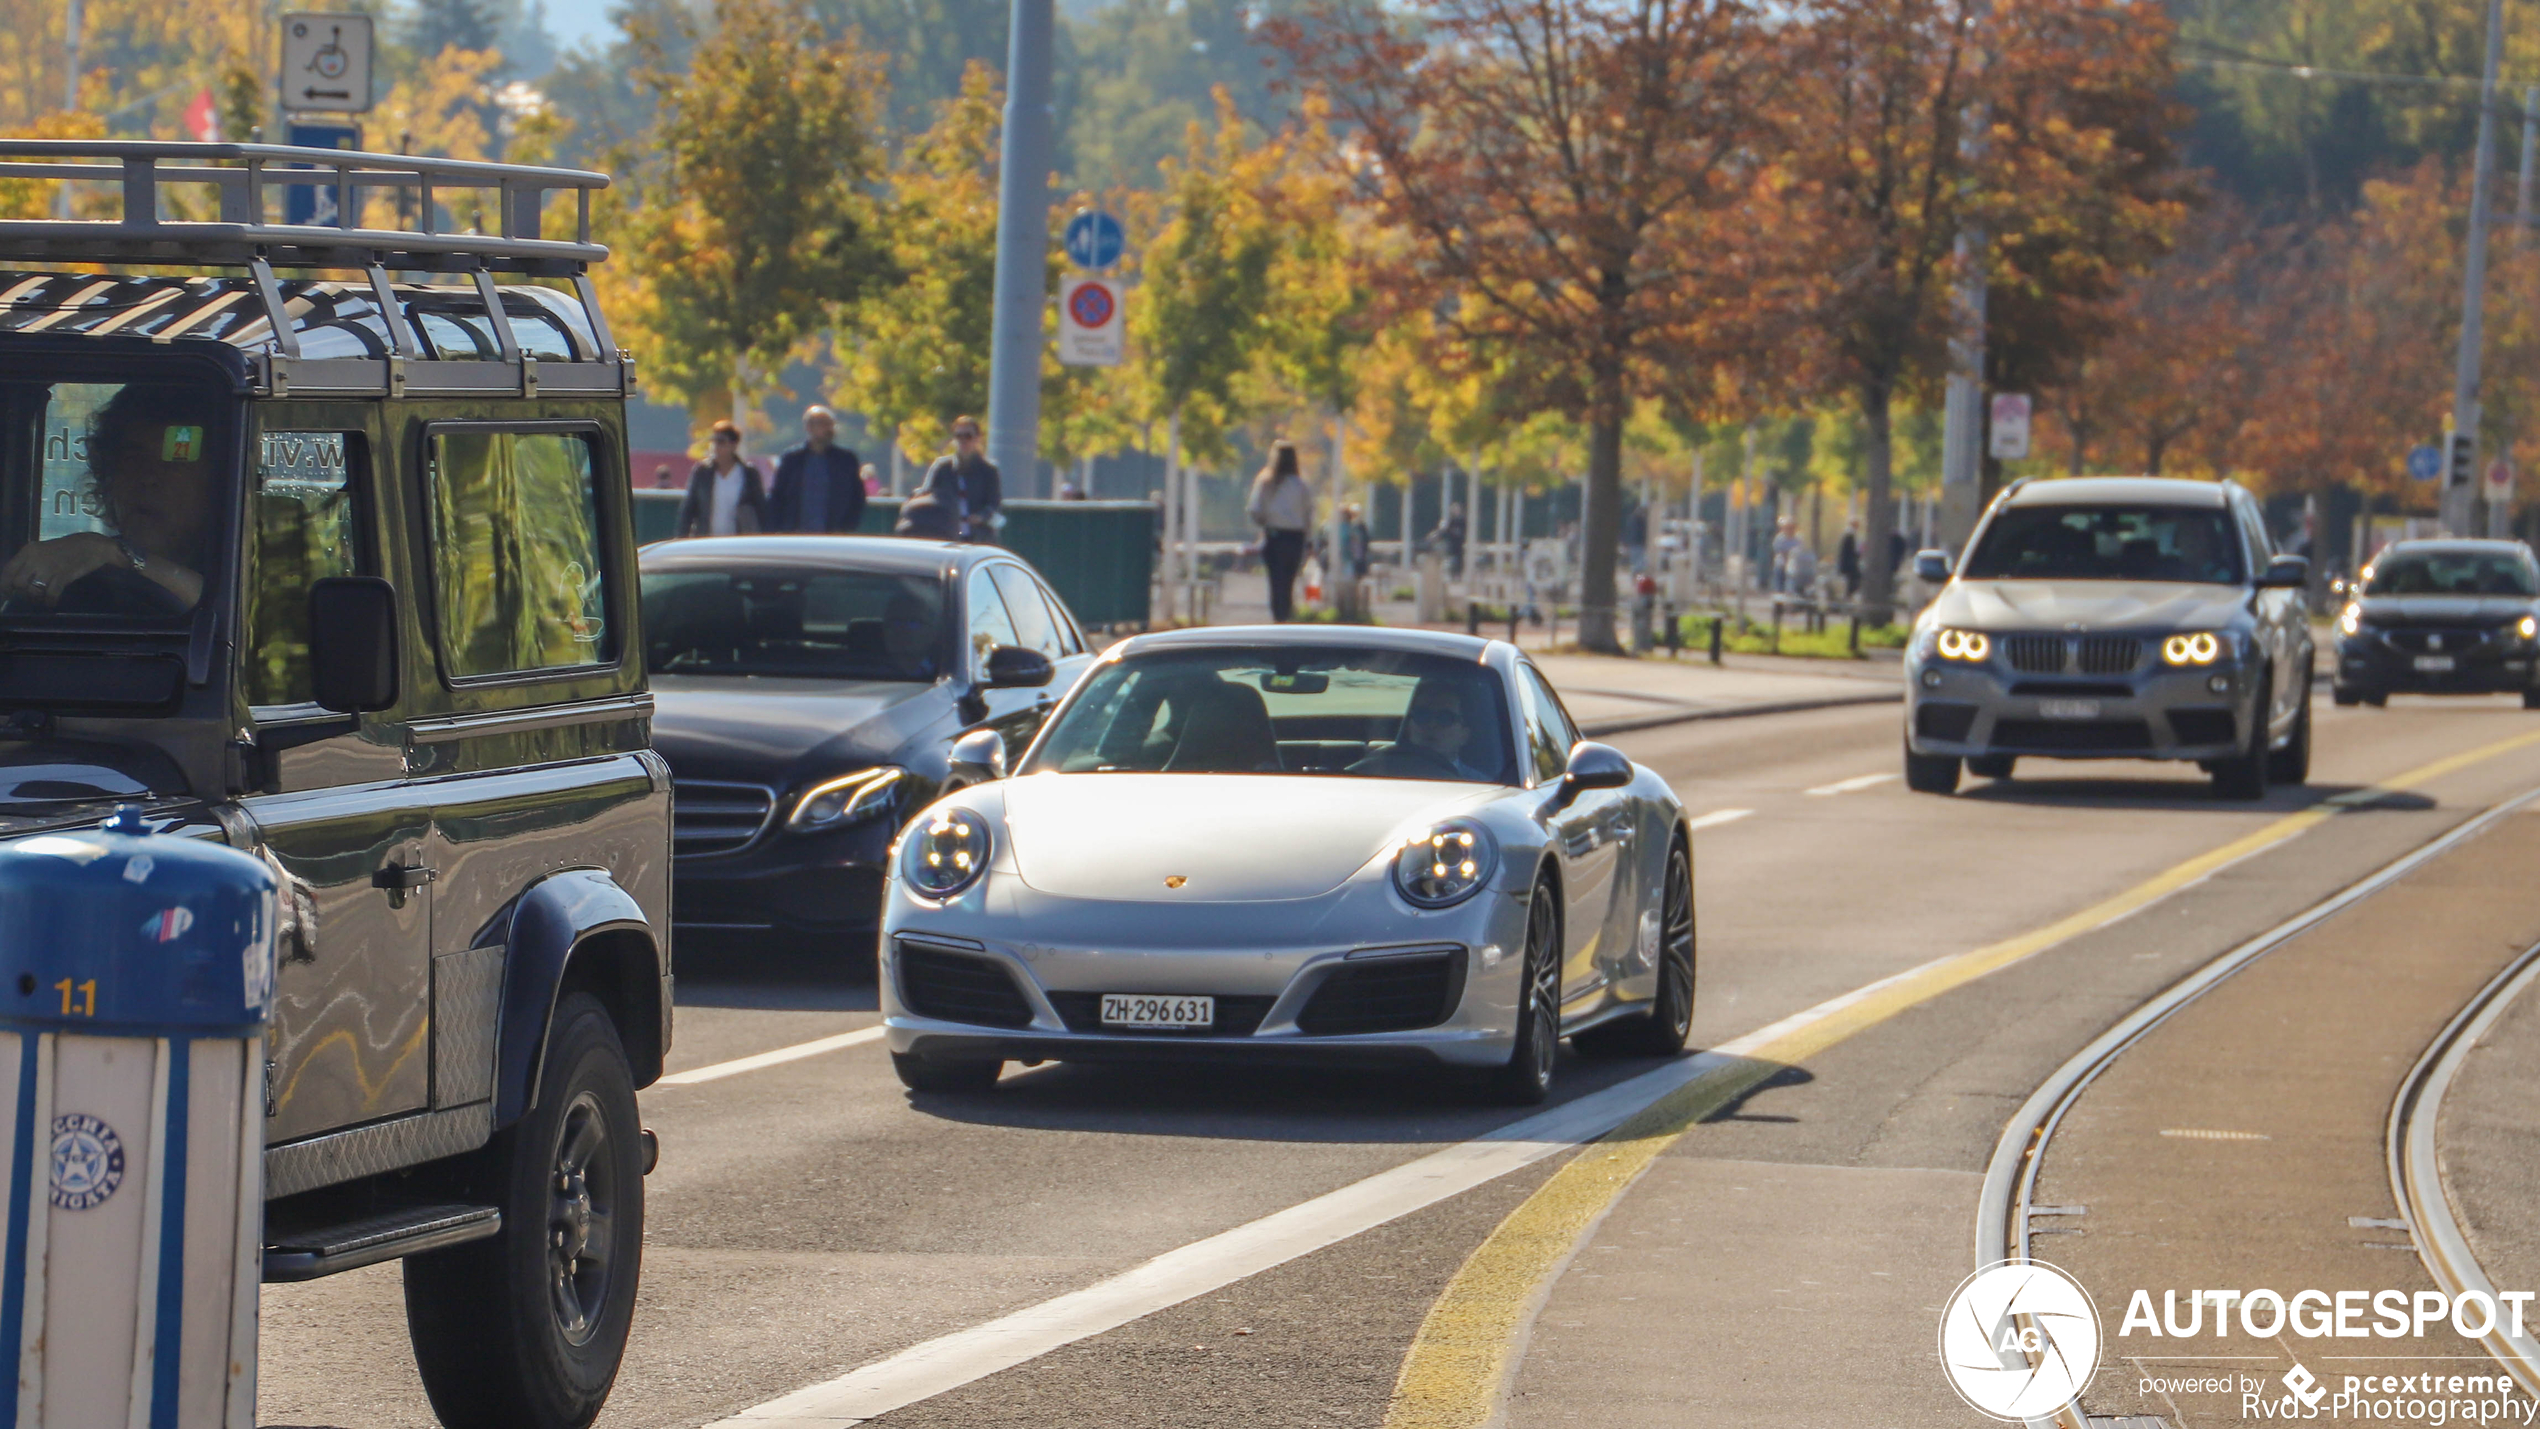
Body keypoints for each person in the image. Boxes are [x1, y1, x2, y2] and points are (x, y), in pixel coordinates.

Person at [0, 383, 219, 614]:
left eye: (176, 461)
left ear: (215, 479)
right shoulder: (76, 575)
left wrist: (116, 555)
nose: (148, 477)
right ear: (108, 473)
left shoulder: (244, 567)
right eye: (132, 458)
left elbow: (223, 613)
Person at [1347, 676, 1499, 782]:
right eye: (1422, 715)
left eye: (1444, 718)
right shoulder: (1373, 772)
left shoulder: (1480, 787)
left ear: (1464, 735)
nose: (1431, 725)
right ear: (1409, 726)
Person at [767, 405, 865, 534]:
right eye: (823, 424)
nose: (829, 429)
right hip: (796, 534)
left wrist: (847, 526)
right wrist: (779, 527)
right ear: (809, 427)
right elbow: (777, 495)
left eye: (831, 424)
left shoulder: (846, 460)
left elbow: (857, 497)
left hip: (833, 535)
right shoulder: (792, 459)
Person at [1246, 439, 1314, 621]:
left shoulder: (1266, 482)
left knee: (1275, 580)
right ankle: (1287, 615)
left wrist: (1266, 521)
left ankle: (1277, 616)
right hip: (1295, 537)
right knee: (1289, 581)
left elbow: (1254, 509)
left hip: (1275, 536)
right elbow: (1309, 514)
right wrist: (1308, 539)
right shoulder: (1300, 485)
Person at [916, 416, 1001, 544]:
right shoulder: (941, 467)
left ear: (978, 438)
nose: (963, 441)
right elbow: (926, 495)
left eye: (968, 436)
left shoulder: (989, 470)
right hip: (947, 535)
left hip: (979, 538)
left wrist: (981, 516)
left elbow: (994, 504)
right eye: (958, 436)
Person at [677, 420, 766, 537]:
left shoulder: (748, 474)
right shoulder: (702, 472)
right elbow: (688, 509)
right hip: (707, 542)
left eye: (721, 442)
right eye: (714, 441)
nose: (716, 446)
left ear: (734, 445)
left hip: (738, 543)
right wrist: (681, 538)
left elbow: (761, 510)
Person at [893, 448, 966, 539]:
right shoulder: (942, 466)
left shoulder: (985, 469)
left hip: (946, 526)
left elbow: (926, 489)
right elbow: (926, 489)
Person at [1424, 501, 1467, 576]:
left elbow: (1457, 532)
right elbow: (1446, 531)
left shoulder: (1462, 520)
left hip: (1459, 544)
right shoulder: (1451, 520)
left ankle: (1457, 573)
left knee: (1458, 559)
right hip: (1452, 544)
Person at [1837, 520, 1862, 599]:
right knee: (1856, 580)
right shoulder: (1850, 535)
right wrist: (1858, 555)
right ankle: (1849, 596)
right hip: (1849, 565)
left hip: (1846, 564)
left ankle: (1849, 595)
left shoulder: (1847, 535)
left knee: (1851, 582)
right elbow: (1852, 551)